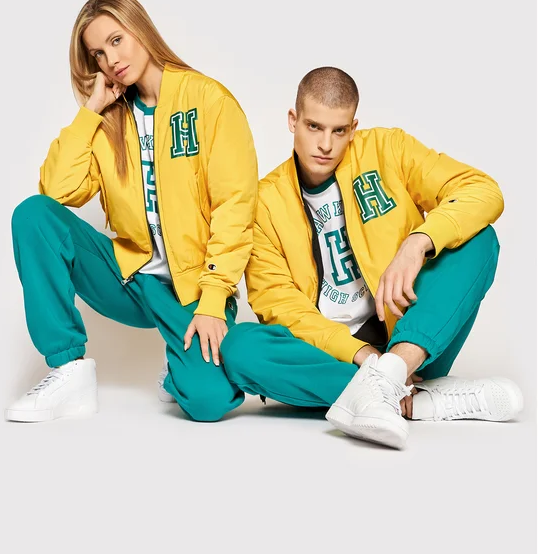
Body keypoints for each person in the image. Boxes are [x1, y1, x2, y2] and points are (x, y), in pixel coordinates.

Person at [220, 66, 523, 449]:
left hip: (413, 342)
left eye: (339, 130)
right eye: (314, 127)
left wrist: (419, 242)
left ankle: (392, 377)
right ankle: (415, 399)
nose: (325, 144)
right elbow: (278, 302)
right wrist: (362, 354)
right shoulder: (265, 201)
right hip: (330, 357)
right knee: (240, 346)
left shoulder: (387, 149)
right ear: (293, 120)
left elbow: (481, 190)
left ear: (353, 127)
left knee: (479, 240)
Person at [6, 0, 258, 423]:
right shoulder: (109, 121)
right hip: (130, 278)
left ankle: (177, 367)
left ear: (140, 28)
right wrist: (92, 110)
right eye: (98, 54)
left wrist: (215, 298)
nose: (111, 60)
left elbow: (235, 206)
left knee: (208, 401)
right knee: (33, 216)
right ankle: (68, 370)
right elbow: (56, 190)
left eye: (116, 40)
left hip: (192, 291)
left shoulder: (209, 100)